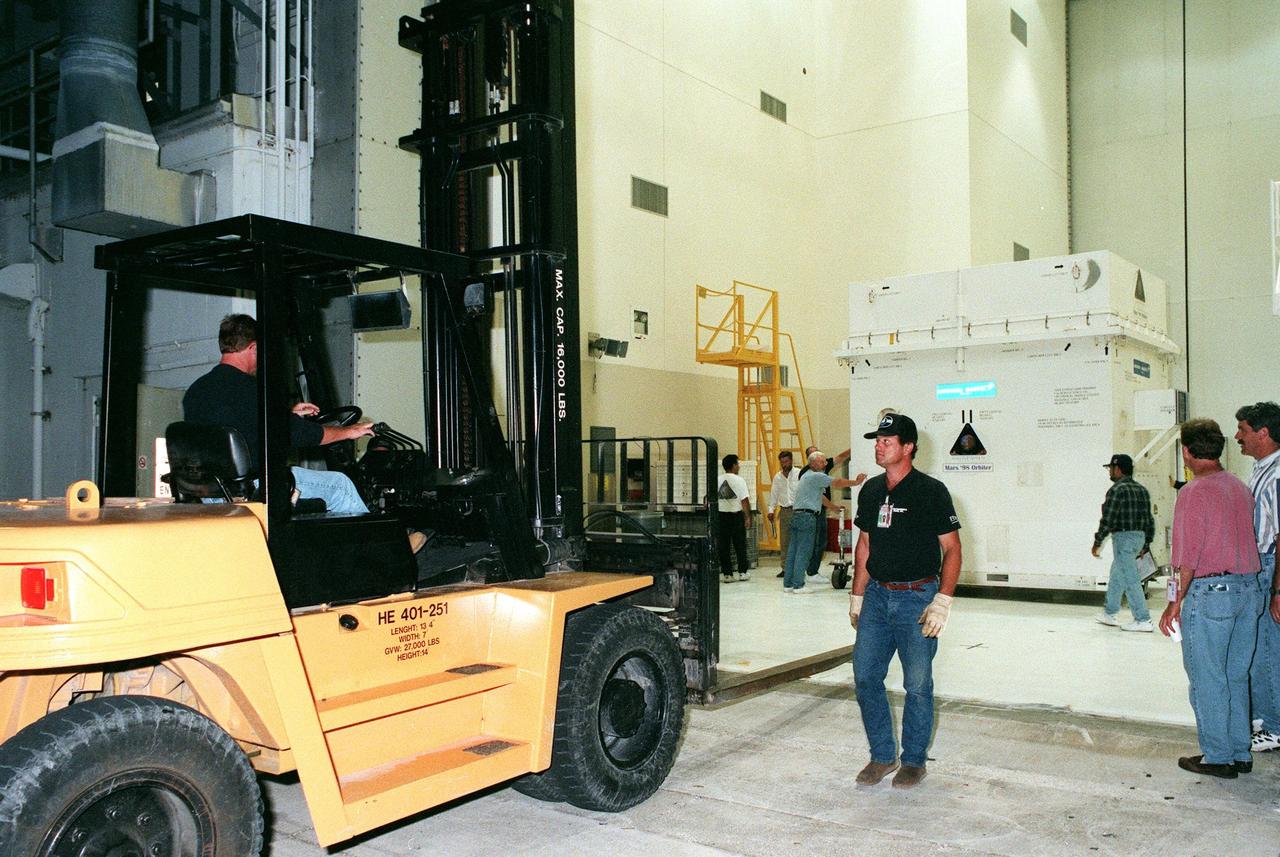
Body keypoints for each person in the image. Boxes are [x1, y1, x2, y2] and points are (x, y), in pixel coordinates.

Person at [848, 413, 961, 789]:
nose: (879, 446)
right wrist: (857, 595)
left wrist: (942, 601)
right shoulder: (871, 490)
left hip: (917, 599)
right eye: (877, 441)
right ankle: (882, 756)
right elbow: (865, 545)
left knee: (917, 683)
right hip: (878, 598)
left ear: (909, 446)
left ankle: (913, 760)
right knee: (865, 676)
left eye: (887, 440)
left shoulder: (931, 491)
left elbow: (952, 548)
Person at [183, 314, 374, 516]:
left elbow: (232, 422)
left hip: (211, 491)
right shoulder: (253, 390)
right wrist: (349, 432)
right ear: (254, 347)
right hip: (253, 486)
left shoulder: (196, 391)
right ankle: (381, 545)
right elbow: (301, 435)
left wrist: (286, 414)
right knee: (340, 485)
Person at [1158, 419, 1260, 778]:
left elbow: (1185, 561)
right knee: (1235, 675)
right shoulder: (1239, 487)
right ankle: (1239, 752)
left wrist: (1174, 603)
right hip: (1250, 591)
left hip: (1212, 595)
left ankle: (1218, 757)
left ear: (1186, 451)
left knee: (1207, 677)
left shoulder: (1193, 492)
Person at [1234, 402, 1280, 753]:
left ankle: (1276, 726)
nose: (1238, 436)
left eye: (1244, 430)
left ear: (1263, 433)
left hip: (1270, 569)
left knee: (1269, 651)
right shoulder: (1261, 468)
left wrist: (1278, 590)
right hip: (1259, 568)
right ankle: (1265, 717)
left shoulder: (1277, 474)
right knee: (1260, 650)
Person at [1091, 453, 1156, 632]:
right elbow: (1149, 519)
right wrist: (1146, 543)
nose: (1109, 472)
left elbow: (1108, 518)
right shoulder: (1142, 490)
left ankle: (1143, 619)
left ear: (1118, 469)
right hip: (1139, 537)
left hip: (1123, 539)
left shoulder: (1116, 490)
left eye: (1110, 468)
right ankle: (1109, 612)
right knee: (1118, 573)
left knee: (1130, 578)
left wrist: (1097, 541)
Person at [783, 451, 862, 593]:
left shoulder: (807, 477)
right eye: (822, 461)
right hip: (807, 518)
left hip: (797, 516)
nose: (825, 464)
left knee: (793, 551)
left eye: (825, 461)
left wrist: (834, 507)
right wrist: (856, 482)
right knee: (803, 551)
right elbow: (837, 482)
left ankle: (788, 584)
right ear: (812, 463)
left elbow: (820, 497)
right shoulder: (816, 476)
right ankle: (798, 585)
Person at [716, 454, 752, 583]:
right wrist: (747, 517)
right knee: (740, 545)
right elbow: (744, 500)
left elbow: (708, 498)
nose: (739, 466)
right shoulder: (739, 480)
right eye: (738, 464)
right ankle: (742, 572)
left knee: (723, 546)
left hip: (721, 516)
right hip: (736, 516)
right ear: (733, 466)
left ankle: (727, 574)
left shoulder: (717, 480)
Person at [767, 450, 799, 569]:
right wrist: (771, 510)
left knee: (798, 540)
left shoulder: (799, 474)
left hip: (798, 510)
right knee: (785, 541)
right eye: (782, 462)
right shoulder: (777, 477)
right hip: (785, 511)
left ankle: (798, 567)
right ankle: (785, 568)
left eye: (786, 461)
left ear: (791, 461)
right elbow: (773, 495)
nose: (784, 464)